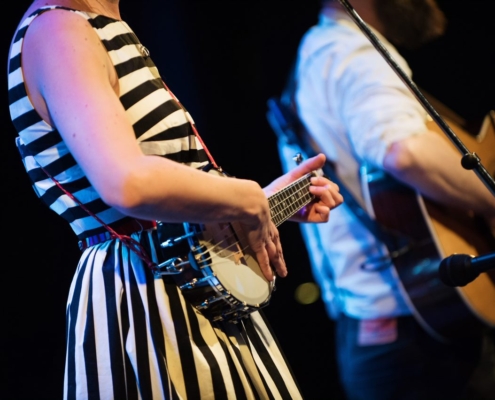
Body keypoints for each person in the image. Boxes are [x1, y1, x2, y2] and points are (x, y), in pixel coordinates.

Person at [7, 0, 343, 398]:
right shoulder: (58, 30)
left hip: (180, 286)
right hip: (144, 294)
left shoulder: (102, 27)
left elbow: (161, 185)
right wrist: (244, 197)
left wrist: (262, 205)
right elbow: (127, 184)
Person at [275, 0, 495, 399]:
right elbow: (400, 149)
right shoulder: (357, 52)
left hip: (376, 330)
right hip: (422, 345)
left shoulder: (319, 50)